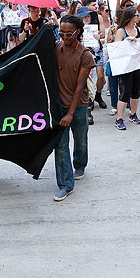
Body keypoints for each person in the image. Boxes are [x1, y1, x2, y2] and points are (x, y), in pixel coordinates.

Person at [53, 15, 95, 201]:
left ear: (77, 32)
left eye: (69, 34)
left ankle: (80, 165)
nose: (65, 37)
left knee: (80, 140)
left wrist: (71, 112)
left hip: (78, 106)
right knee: (60, 146)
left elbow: (80, 87)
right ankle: (66, 184)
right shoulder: (56, 48)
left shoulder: (85, 55)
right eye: (61, 33)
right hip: (58, 106)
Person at [114, 7, 140, 130]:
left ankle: (133, 114)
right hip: (125, 66)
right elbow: (116, 49)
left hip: (138, 64)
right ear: (130, 17)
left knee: (136, 91)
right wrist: (127, 41)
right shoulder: (121, 31)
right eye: (136, 15)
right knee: (125, 91)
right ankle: (119, 118)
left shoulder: (139, 30)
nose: (138, 17)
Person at [83, 0, 107, 109]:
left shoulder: (98, 17)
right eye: (93, 5)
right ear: (87, 7)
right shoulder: (80, 18)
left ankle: (98, 94)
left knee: (101, 75)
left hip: (97, 50)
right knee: (88, 76)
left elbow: (102, 34)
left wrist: (99, 35)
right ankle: (90, 99)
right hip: (85, 51)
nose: (96, 7)